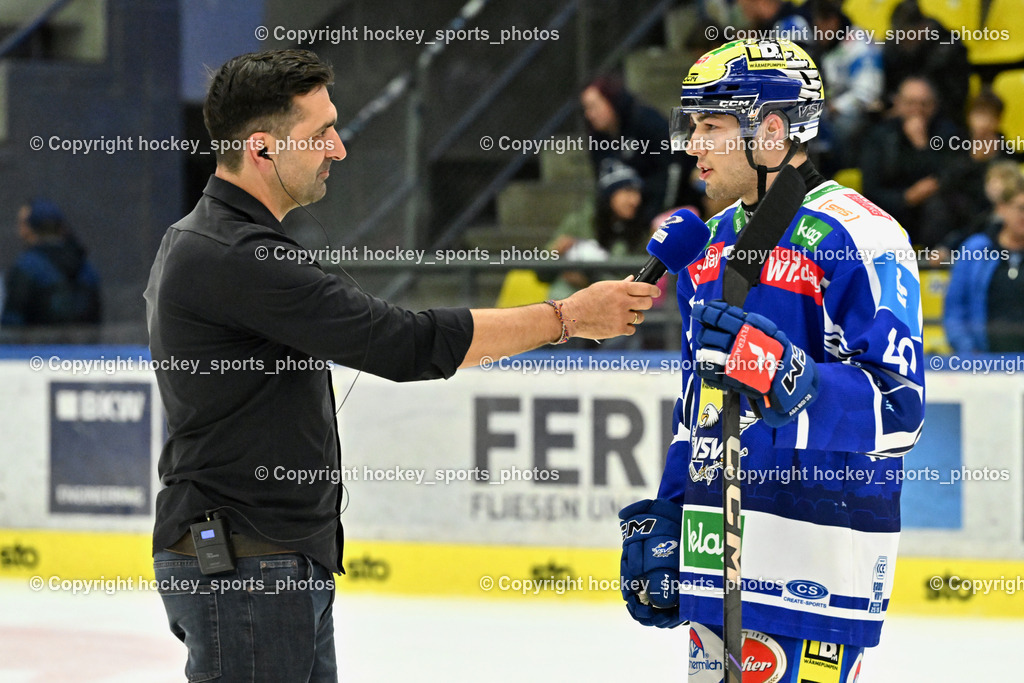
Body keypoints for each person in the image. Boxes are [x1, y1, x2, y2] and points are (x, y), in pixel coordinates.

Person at [145, 49, 659, 683]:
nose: (338, 148)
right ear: (261, 149)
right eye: (320, 134)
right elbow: (403, 343)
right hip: (250, 566)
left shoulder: (206, 240)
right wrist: (566, 318)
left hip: (264, 559)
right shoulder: (236, 256)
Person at [618, 39, 924, 682]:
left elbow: (901, 410)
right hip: (719, 544)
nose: (691, 146)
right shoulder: (710, 245)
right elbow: (697, 407)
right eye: (692, 126)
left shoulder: (862, 235)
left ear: (773, 129)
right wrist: (672, 510)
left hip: (815, 554)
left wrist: (796, 380)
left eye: (711, 127)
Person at [859, 75, 966, 247]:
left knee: (941, 205)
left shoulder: (948, 133)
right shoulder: (879, 136)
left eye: (924, 104)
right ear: (898, 104)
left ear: (934, 106)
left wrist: (922, 145)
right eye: (910, 103)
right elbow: (870, 189)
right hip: (892, 210)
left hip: (932, 214)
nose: (917, 110)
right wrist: (905, 198)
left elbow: (952, 177)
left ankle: (934, 262)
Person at [581, 77, 699, 227]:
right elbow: (602, 183)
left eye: (593, 106)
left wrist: (656, 214)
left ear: (611, 101)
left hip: (673, 197)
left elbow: (673, 170)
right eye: (586, 108)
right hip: (630, 208)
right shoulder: (597, 139)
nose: (589, 114)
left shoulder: (646, 120)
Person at [944, 174, 1024, 353]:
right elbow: (955, 309)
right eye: (1020, 208)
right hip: (983, 364)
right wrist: (969, 353)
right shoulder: (976, 249)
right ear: (1002, 209)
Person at [807, 0, 883, 174]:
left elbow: (867, 93)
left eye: (820, 26)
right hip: (828, 113)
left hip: (857, 118)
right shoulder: (826, 48)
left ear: (832, 22)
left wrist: (835, 107)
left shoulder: (860, 47)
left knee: (822, 133)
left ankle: (823, 179)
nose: (817, 32)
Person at [1, 199, 101, 330]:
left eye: (22, 224)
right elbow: (96, 320)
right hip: (82, 348)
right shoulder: (86, 267)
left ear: (29, 230)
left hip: (35, 349)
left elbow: (12, 324)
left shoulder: (27, 267)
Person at [882, 0, 969, 126]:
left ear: (923, 27)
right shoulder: (893, 48)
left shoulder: (950, 49)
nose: (904, 41)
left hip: (940, 118)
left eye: (908, 35)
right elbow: (888, 90)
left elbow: (956, 100)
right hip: (900, 116)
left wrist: (919, 109)